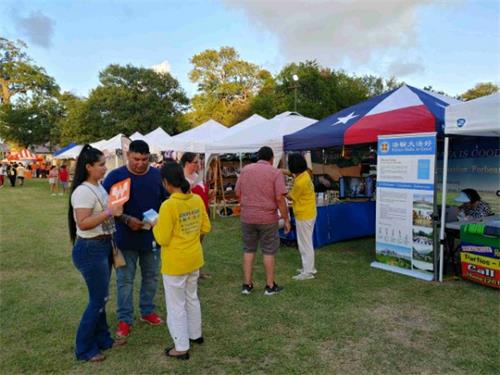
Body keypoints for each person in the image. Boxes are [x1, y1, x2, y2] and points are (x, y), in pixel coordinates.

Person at [102, 140, 168, 338]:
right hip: (124, 239)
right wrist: (125, 218)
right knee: (125, 281)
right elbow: (106, 207)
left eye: (145, 159)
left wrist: (159, 217)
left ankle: (147, 311)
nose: (140, 163)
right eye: (136, 159)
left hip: (152, 237)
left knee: (151, 276)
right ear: (127, 156)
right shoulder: (115, 176)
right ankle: (124, 319)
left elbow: (167, 201)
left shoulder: (157, 176)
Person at [68, 145, 125, 362]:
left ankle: (104, 339)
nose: (105, 168)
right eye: (101, 165)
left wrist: (114, 209)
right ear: (89, 167)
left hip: (102, 246)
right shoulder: (83, 191)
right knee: (98, 299)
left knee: (102, 297)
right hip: (91, 249)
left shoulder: (98, 187)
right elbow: (82, 223)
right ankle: (84, 349)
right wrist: (109, 211)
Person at [153, 162, 211, 360]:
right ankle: (195, 334)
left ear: (166, 183)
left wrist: (155, 224)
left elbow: (162, 238)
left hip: (175, 262)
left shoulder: (168, 205)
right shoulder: (196, 199)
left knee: (176, 304)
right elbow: (206, 227)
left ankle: (181, 346)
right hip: (194, 257)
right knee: (192, 297)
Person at [235, 146, 290, 296]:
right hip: (267, 218)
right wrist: (286, 219)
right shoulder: (275, 172)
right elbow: (280, 198)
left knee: (248, 250)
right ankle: (270, 286)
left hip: (247, 217)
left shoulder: (245, 170)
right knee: (268, 251)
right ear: (272, 159)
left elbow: (237, 192)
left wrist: (247, 204)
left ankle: (247, 285)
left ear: (258, 156)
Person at [287, 153, 317, 280]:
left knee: (305, 244)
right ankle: (308, 267)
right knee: (306, 242)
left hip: (304, 214)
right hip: (309, 212)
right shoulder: (305, 174)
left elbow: (290, 196)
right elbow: (290, 174)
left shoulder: (300, 182)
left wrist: (283, 191)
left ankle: (308, 271)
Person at [181, 152, 211, 279]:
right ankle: (190, 271)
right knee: (191, 244)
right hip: (191, 215)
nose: (198, 164)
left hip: (202, 212)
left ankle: (198, 270)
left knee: (199, 244)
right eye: (196, 162)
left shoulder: (197, 175)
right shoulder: (182, 177)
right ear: (187, 163)